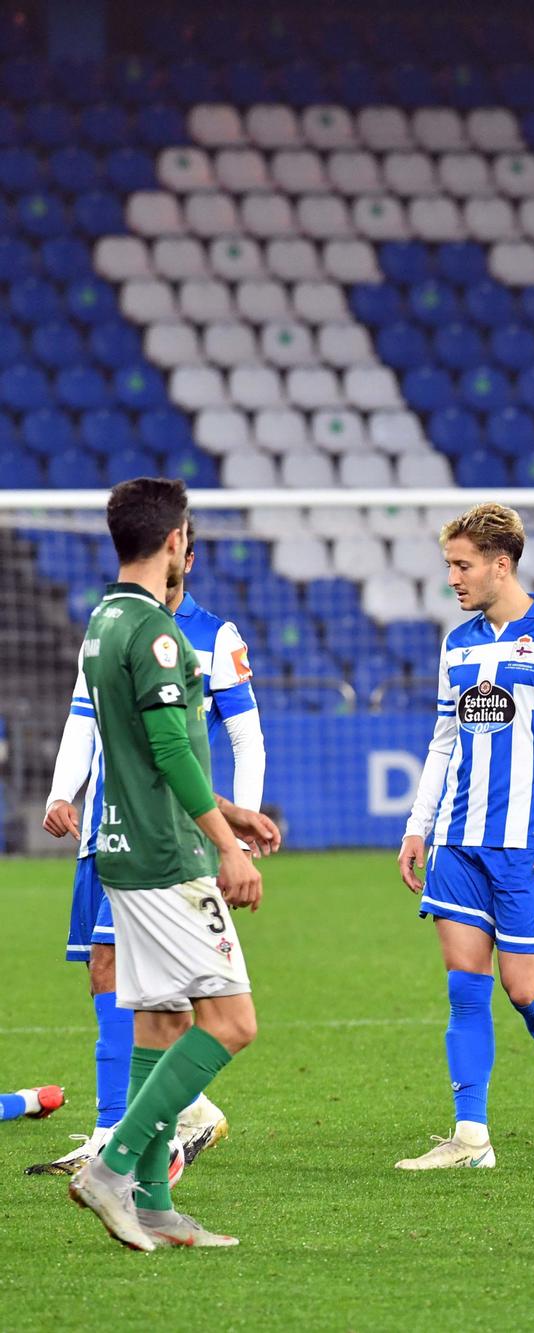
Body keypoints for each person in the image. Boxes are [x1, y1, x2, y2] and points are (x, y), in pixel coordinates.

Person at [67, 477, 277, 1251]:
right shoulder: (157, 633)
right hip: (167, 857)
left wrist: (230, 807)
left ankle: (152, 1201)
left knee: (165, 1019)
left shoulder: (104, 621)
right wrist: (226, 844)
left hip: (124, 846)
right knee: (232, 1022)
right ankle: (114, 1166)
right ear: (174, 541)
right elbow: (163, 747)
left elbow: (144, 753)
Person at [31, 518, 255, 1177]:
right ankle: (149, 1146)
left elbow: (240, 737)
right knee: (111, 973)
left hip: (165, 836)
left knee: (156, 985)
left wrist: (233, 826)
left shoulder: (211, 636)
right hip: (108, 827)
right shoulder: (111, 625)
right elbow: (83, 716)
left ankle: (120, 1136)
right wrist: (60, 791)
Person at [394, 503, 534, 1170]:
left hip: (525, 845)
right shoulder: (457, 643)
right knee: (465, 985)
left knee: (525, 990)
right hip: (458, 840)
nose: (452, 578)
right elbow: (443, 740)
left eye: (462, 565)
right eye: (449, 565)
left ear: (501, 564)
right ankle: (471, 1136)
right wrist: (417, 825)